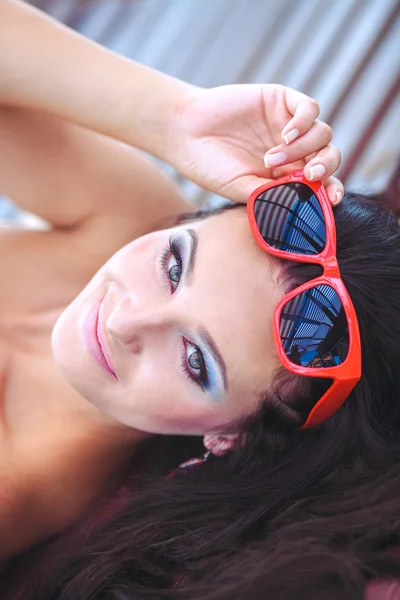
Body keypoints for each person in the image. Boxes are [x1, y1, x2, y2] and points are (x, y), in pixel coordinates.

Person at [0, 0, 344, 569]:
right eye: (173, 267)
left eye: (194, 361)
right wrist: (174, 116)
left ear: (230, 436)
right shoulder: (139, 226)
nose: (125, 320)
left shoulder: (13, 494)